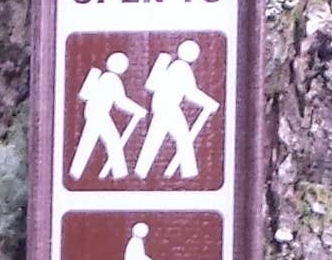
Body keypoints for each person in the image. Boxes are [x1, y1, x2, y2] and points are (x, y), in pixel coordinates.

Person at [138, 39, 220, 182]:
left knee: (155, 138)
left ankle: (141, 171)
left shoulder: (174, 66)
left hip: (160, 105)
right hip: (168, 107)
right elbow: (191, 92)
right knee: (183, 138)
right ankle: (189, 175)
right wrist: (210, 103)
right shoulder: (181, 68)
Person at [70, 51, 145, 181]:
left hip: (93, 113)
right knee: (112, 141)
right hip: (99, 114)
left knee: (89, 143)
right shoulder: (112, 79)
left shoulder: (104, 77)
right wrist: (138, 110)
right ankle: (120, 175)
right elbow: (121, 102)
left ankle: (76, 173)